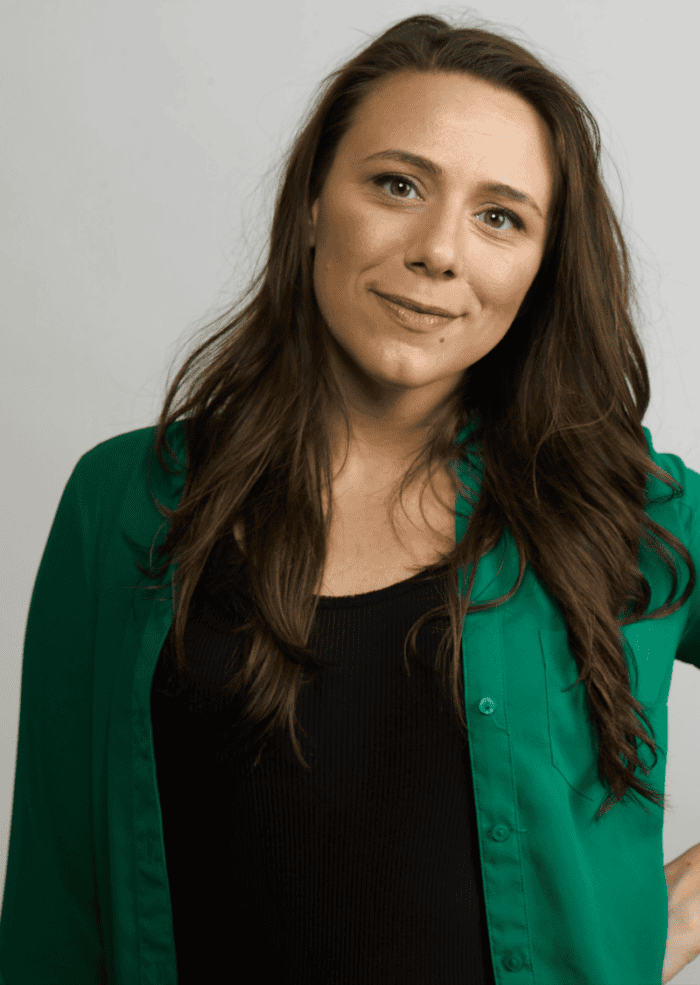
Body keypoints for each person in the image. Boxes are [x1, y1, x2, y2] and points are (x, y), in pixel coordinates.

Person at [2, 12, 700, 984]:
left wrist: (658, 921)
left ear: (541, 267)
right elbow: (55, 901)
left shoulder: (630, 510)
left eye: (500, 215)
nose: (438, 252)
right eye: (398, 184)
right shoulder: (121, 499)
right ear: (314, 203)